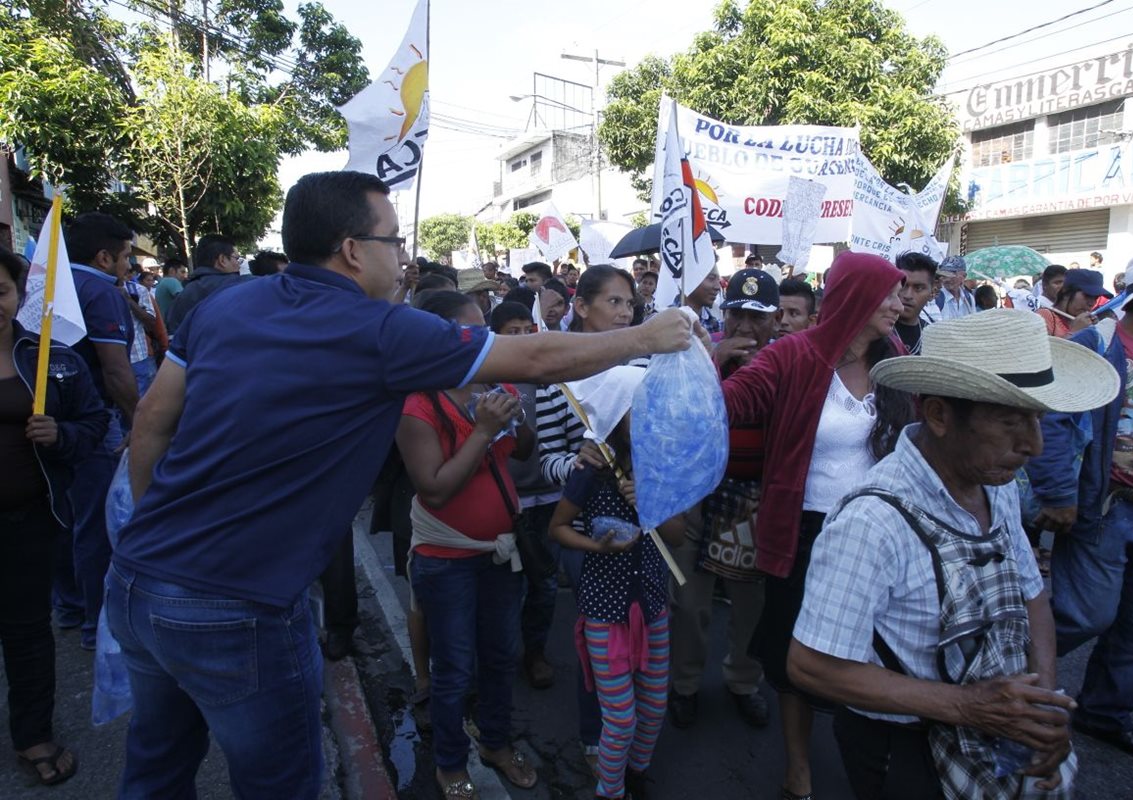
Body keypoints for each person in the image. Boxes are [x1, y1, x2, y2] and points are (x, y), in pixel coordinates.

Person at [105, 171, 693, 799]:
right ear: (353, 249)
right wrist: (645, 337)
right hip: (238, 602)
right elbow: (536, 359)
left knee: (157, 770)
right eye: (395, 241)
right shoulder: (379, 331)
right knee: (280, 784)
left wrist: (160, 535)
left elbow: (151, 423)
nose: (406, 257)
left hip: (138, 578)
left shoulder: (222, 304)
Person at [791, 309, 1116, 798]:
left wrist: (1041, 708)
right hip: (902, 750)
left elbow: (1033, 597)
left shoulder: (995, 482)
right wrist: (967, 706)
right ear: (939, 415)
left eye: (1037, 419)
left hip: (993, 732)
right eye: (1010, 422)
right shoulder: (870, 522)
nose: (1033, 443)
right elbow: (812, 665)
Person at [722, 252, 912, 800]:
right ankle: (799, 767)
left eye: (902, 293)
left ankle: (868, 761)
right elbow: (732, 402)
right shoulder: (792, 355)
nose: (900, 305)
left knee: (871, 651)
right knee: (798, 655)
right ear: (855, 297)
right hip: (806, 533)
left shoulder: (893, 357)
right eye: (890, 294)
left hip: (878, 533)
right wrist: (712, 358)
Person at [1024, 245, 1133, 768]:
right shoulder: (1096, 344)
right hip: (1108, 509)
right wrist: (1057, 493)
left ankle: (1105, 713)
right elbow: (1052, 420)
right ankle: (1009, 676)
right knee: (1086, 613)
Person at [398, 290, 538, 797]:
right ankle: (450, 763)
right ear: (439, 339)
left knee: (502, 656)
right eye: (473, 330)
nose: (486, 340)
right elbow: (434, 489)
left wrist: (516, 419)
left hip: (500, 555)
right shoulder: (419, 404)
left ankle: (496, 743)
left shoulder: (492, 385)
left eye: (486, 328)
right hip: (446, 561)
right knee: (454, 670)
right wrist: (482, 430)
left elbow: (522, 453)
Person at [550, 366, 686, 800]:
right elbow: (558, 528)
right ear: (615, 413)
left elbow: (678, 537)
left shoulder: (659, 462)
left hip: (651, 603)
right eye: (637, 408)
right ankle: (610, 790)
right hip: (604, 610)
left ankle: (637, 774)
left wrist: (652, 505)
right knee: (621, 718)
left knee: (653, 708)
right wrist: (598, 548)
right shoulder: (591, 466)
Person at [1, 246, 107, 786]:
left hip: (26, 520)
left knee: (26, 632)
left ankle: (33, 734)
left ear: (19, 294)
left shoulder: (51, 359)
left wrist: (60, 435)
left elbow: (93, 423)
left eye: (0, 291)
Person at [536, 263, 645, 775]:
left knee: (641, 628)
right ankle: (595, 734)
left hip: (642, 525)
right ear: (581, 307)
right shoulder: (558, 372)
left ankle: (634, 737)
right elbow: (546, 459)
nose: (625, 312)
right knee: (597, 636)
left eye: (630, 303)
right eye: (613, 303)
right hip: (582, 528)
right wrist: (579, 460)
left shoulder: (640, 361)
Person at [669, 270, 778, 732]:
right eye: (737, 314)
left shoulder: (785, 361)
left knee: (750, 606)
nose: (746, 327)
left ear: (774, 323)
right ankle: (685, 685)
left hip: (755, 501)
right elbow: (678, 415)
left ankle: (742, 682)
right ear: (724, 314)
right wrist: (713, 359)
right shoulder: (696, 353)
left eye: (758, 317)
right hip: (698, 497)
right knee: (690, 605)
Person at [59, 212, 137, 649]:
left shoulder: (47, 285)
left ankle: (69, 605)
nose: (129, 266)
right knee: (97, 524)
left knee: (62, 519)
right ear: (104, 257)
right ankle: (97, 623)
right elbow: (116, 371)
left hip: (49, 425)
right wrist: (139, 420)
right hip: (93, 423)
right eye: (126, 257)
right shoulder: (100, 292)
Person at [490, 300, 558, 689]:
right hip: (503, 500)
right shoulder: (485, 378)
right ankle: (501, 657)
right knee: (505, 587)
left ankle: (536, 653)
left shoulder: (545, 375)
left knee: (544, 583)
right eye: (509, 332)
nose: (519, 339)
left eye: (524, 330)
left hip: (545, 498)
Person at [166, 234, 246, 332]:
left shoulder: (186, 291)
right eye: (237, 258)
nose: (239, 264)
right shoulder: (238, 286)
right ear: (222, 260)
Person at [1036, 268, 1111, 338]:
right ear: (1066, 292)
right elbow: (1042, 350)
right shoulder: (1044, 317)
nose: (1092, 303)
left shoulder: (1085, 323)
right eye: (1087, 296)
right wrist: (1075, 332)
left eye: (1096, 298)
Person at [123, 272, 161, 396]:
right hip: (112, 361)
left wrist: (128, 300)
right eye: (148, 280)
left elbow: (152, 321)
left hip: (138, 357)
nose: (128, 267)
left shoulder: (138, 290)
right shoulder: (99, 289)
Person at [894, 253, 937, 354]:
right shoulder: (876, 330)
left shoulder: (933, 337)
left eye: (918, 288)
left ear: (932, 293)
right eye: (903, 286)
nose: (908, 295)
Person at [679, 267, 723, 336]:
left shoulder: (716, 325)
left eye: (718, 280)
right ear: (690, 279)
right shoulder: (664, 321)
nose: (718, 287)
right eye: (711, 278)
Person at [154, 258, 188, 325]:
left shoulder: (161, 283)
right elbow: (185, 300)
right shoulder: (172, 281)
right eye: (182, 272)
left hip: (165, 326)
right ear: (172, 271)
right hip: (174, 327)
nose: (184, 276)